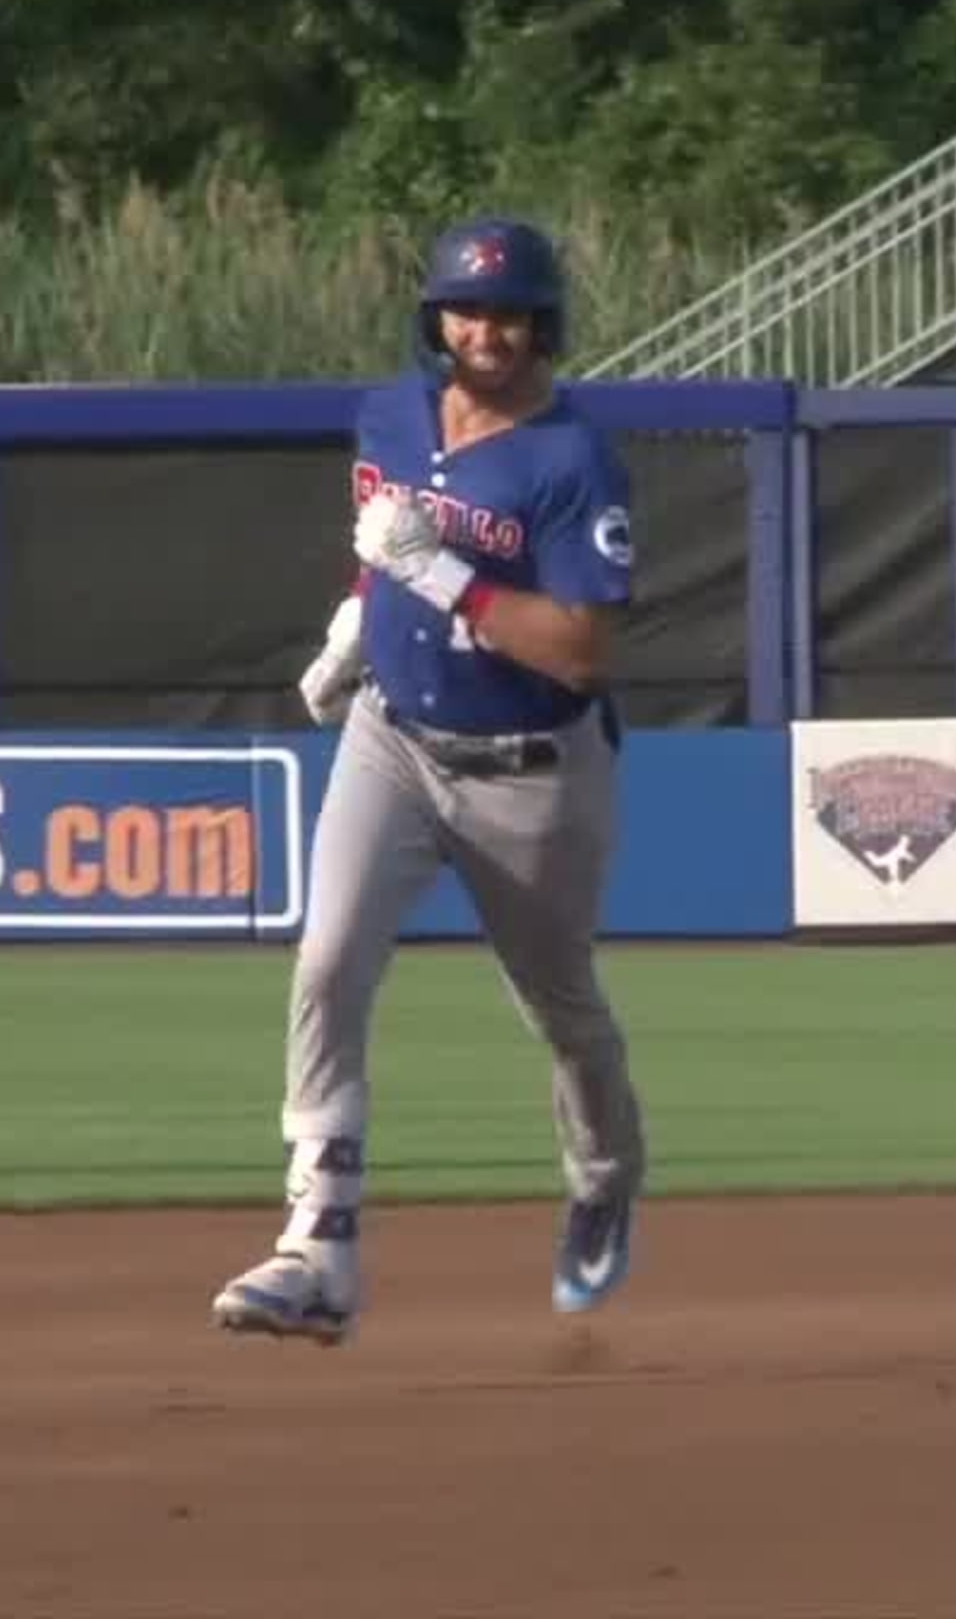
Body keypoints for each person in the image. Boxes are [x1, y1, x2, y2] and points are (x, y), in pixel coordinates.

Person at [211, 217, 647, 1346]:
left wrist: (439, 575)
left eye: (508, 313)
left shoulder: (571, 460)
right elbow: (381, 539)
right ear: (435, 315)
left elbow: (582, 650)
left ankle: (601, 1180)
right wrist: (362, 622)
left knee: (562, 1011)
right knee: (326, 964)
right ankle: (319, 1248)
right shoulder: (391, 414)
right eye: (467, 309)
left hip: (531, 771)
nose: (487, 331)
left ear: (543, 323)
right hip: (394, 736)